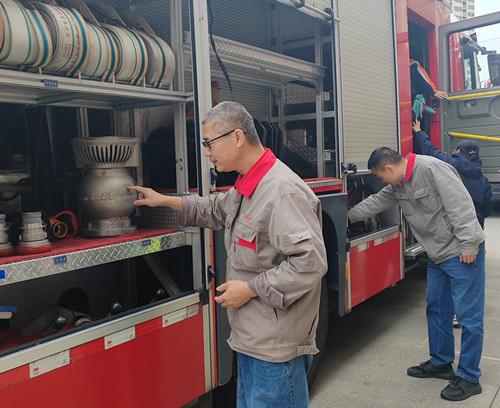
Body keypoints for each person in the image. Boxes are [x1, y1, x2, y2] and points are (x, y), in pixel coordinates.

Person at [129, 101, 327, 408]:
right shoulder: (249, 183)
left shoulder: (282, 191)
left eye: (209, 143)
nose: (207, 152)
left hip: (276, 351)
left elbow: (310, 263)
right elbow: (216, 209)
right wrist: (164, 200)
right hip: (251, 340)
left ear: (237, 137)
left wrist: (249, 289)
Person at [348, 147, 485, 402]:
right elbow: (376, 202)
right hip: (437, 254)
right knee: (437, 309)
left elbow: (460, 204)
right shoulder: (398, 185)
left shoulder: (431, 168)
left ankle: (469, 377)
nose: (381, 181)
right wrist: (346, 217)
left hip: (459, 251)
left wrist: (468, 244)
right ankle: (441, 363)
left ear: (389, 168)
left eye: (379, 176)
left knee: (469, 316)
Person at [413, 121, 494, 327]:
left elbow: (430, 151)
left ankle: (452, 314)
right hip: (475, 232)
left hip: (451, 233)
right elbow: (488, 208)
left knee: (449, 277)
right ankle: (466, 314)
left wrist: (419, 132)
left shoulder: (449, 165)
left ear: (458, 151)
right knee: (472, 280)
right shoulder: (483, 179)